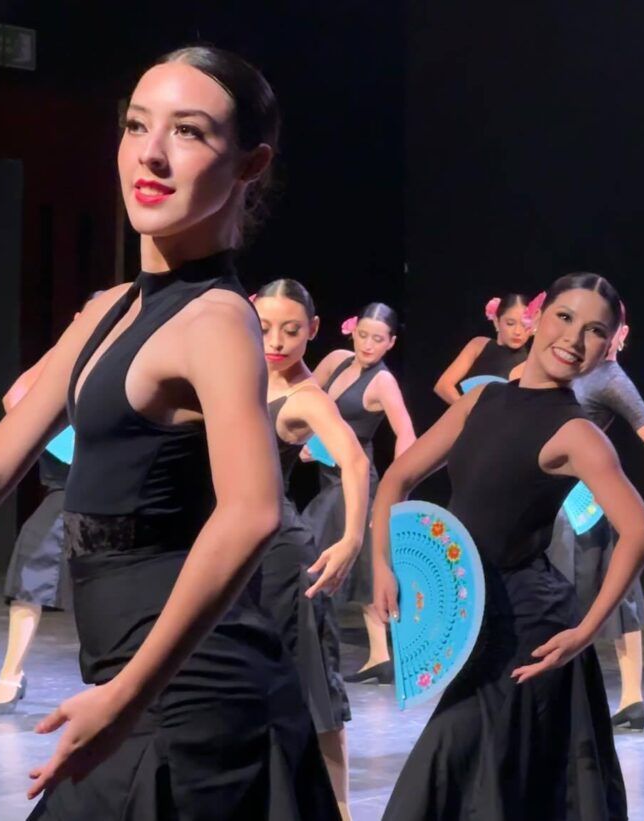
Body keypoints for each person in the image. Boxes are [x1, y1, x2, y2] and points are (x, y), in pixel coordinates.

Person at [0, 44, 340, 818]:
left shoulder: (219, 319)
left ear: (250, 165)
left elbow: (252, 512)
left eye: (188, 131)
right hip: (129, 689)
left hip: (191, 702)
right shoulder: (104, 311)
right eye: (136, 125)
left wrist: (127, 696)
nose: (150, 153)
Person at [374, 273, 644, 820]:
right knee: (480, 784)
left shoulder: (579, 433)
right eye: (565, 318)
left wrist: (586, 631)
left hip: (527, 629)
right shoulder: (481, 399)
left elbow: (640, 532)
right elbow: (397, 479)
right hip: (469, 615)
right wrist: (383, 564)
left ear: (608, 346)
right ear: (537, 317)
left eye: (596, 331)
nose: (575, 338)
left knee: (456, 775)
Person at [254, 278, 371, 819]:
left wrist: (351, 538)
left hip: (282, 558)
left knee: (312, 691)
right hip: (231, 554)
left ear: (314, 330)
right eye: (264, 328)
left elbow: (355, 461)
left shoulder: (305, 397)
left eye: (291, 330)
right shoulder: (240, 377)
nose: (277, 341)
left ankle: (340, 810)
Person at [546, 301, 644, 731]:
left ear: (621, 334)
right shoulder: (575, 371)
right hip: (562, 499)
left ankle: (630, 696)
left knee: (613, 593)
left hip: (587, 502)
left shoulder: (611, 378)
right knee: (584, 592)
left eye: (606, 328)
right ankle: (625, 698)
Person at [303, 302, 415, 683]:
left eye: (378, 339)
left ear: (391, 343)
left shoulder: (383, 382)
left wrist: (394, 493)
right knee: (364, 567)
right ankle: (380, 656)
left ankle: (308, 651)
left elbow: (406, 434)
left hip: (354, 483)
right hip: (329, 475)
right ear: (352, 331)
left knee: (307, 553)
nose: (368, 345)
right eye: (363, 335)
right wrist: (305, 437)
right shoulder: (336, 361)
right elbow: (303, 393)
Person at [0, 352, 72, 714]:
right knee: (32, 557)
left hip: (118, 483)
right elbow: (14, 398)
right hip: (67, 483)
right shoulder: (67, 361)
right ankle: (11, 673)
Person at [433, 293, 536, 404]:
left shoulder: (531, 365)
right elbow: (443, 386)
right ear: (497, 322)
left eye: (525, 325)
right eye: (510, 323)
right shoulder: (478, 345)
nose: (517, 332)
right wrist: (466, 409)